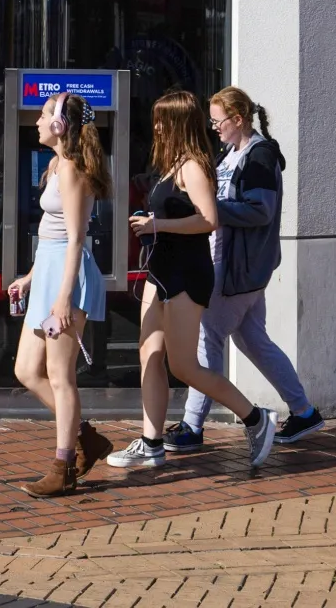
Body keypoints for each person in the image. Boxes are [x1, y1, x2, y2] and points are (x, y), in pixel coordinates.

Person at [109, 90, 277, 470]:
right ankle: (151, 442)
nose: (155, 127)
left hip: (186, 273)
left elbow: (209, 219)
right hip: (162, 271)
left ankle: (256, 418)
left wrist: (158, 223)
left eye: (161, 121)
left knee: (184, 366)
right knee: (149, 353)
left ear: (177, 124)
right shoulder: (170, 166)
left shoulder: (194, 166)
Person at [167, 86, 324, 453]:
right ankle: (303, 410)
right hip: (238, 267)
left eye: (218, 121)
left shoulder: (258, 158)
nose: (214, 127)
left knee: (208, 338)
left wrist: (211, 213)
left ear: (238, 120)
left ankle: (192, 426)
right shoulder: (232, 153)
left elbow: (261, 210)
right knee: (253, 339)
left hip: (236, 269)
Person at [7, 90, 113, 497]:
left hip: (68, 275)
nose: (35, 120)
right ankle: (87, 438)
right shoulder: (55, 165)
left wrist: (63, 296)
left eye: (44, 114)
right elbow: (52, 237)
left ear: (59, 125)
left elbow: (75, 239)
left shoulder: (70, 169)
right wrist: (31, 277)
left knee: (59, 376)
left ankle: (63, 465)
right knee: (25, 371)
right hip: (50, 270)